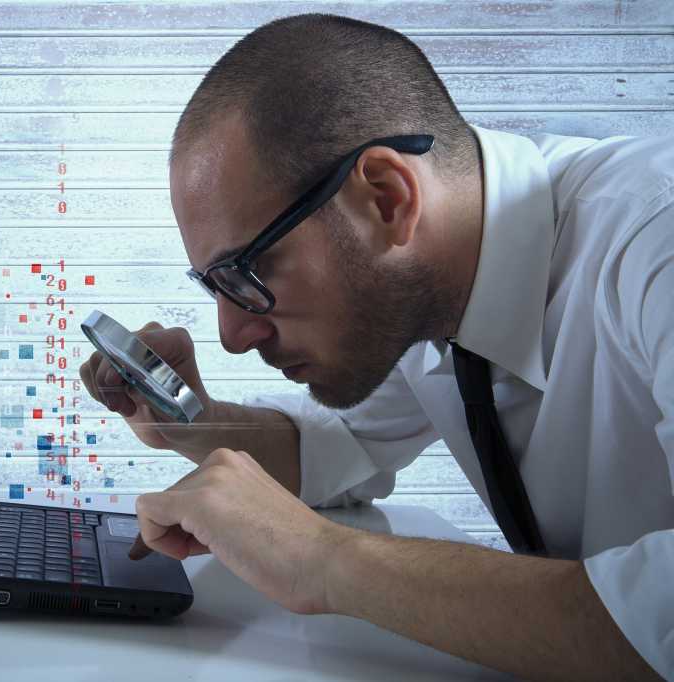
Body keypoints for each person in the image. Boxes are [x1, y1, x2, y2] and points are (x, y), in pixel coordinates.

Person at [78, 13, 672, 681]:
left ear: (387, 199)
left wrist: (324, 561)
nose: (232, 336)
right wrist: (189, 418)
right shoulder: (426, 287)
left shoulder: (655, 239)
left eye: (247, 273)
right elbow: (338, 450)